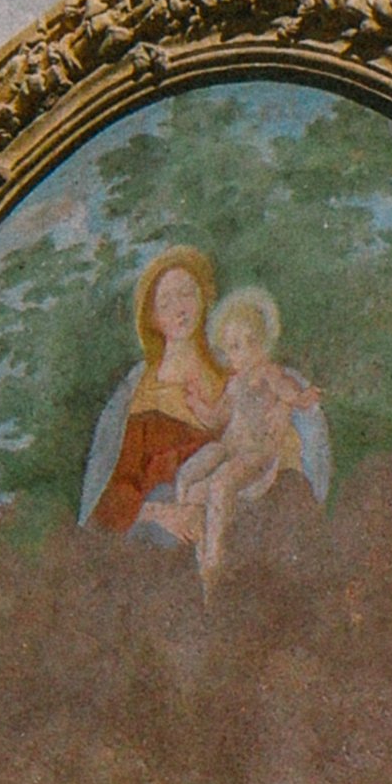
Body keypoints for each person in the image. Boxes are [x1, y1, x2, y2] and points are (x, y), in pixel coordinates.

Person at [153, 286, 333, 584]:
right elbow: (217, 418)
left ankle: (214, 558)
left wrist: (300, 398)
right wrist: (196, 403)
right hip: (229, 447)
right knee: (188, 475)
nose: (245, 352)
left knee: (221, 482)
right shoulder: (234, 382)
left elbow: (291, 393)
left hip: (254, 453)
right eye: (236, 346)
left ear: (264, 343)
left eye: (251, 342)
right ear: (227, 353)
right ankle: (195, 539)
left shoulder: (268, 373)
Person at [78, 247, 228, 534]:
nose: (179, 309)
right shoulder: (141, 387)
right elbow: (117, 489)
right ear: (153, 318)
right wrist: (162, 514)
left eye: (186, 294)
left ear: (203, 298)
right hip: (162, 523)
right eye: (166, 303)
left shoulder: (231, 369)